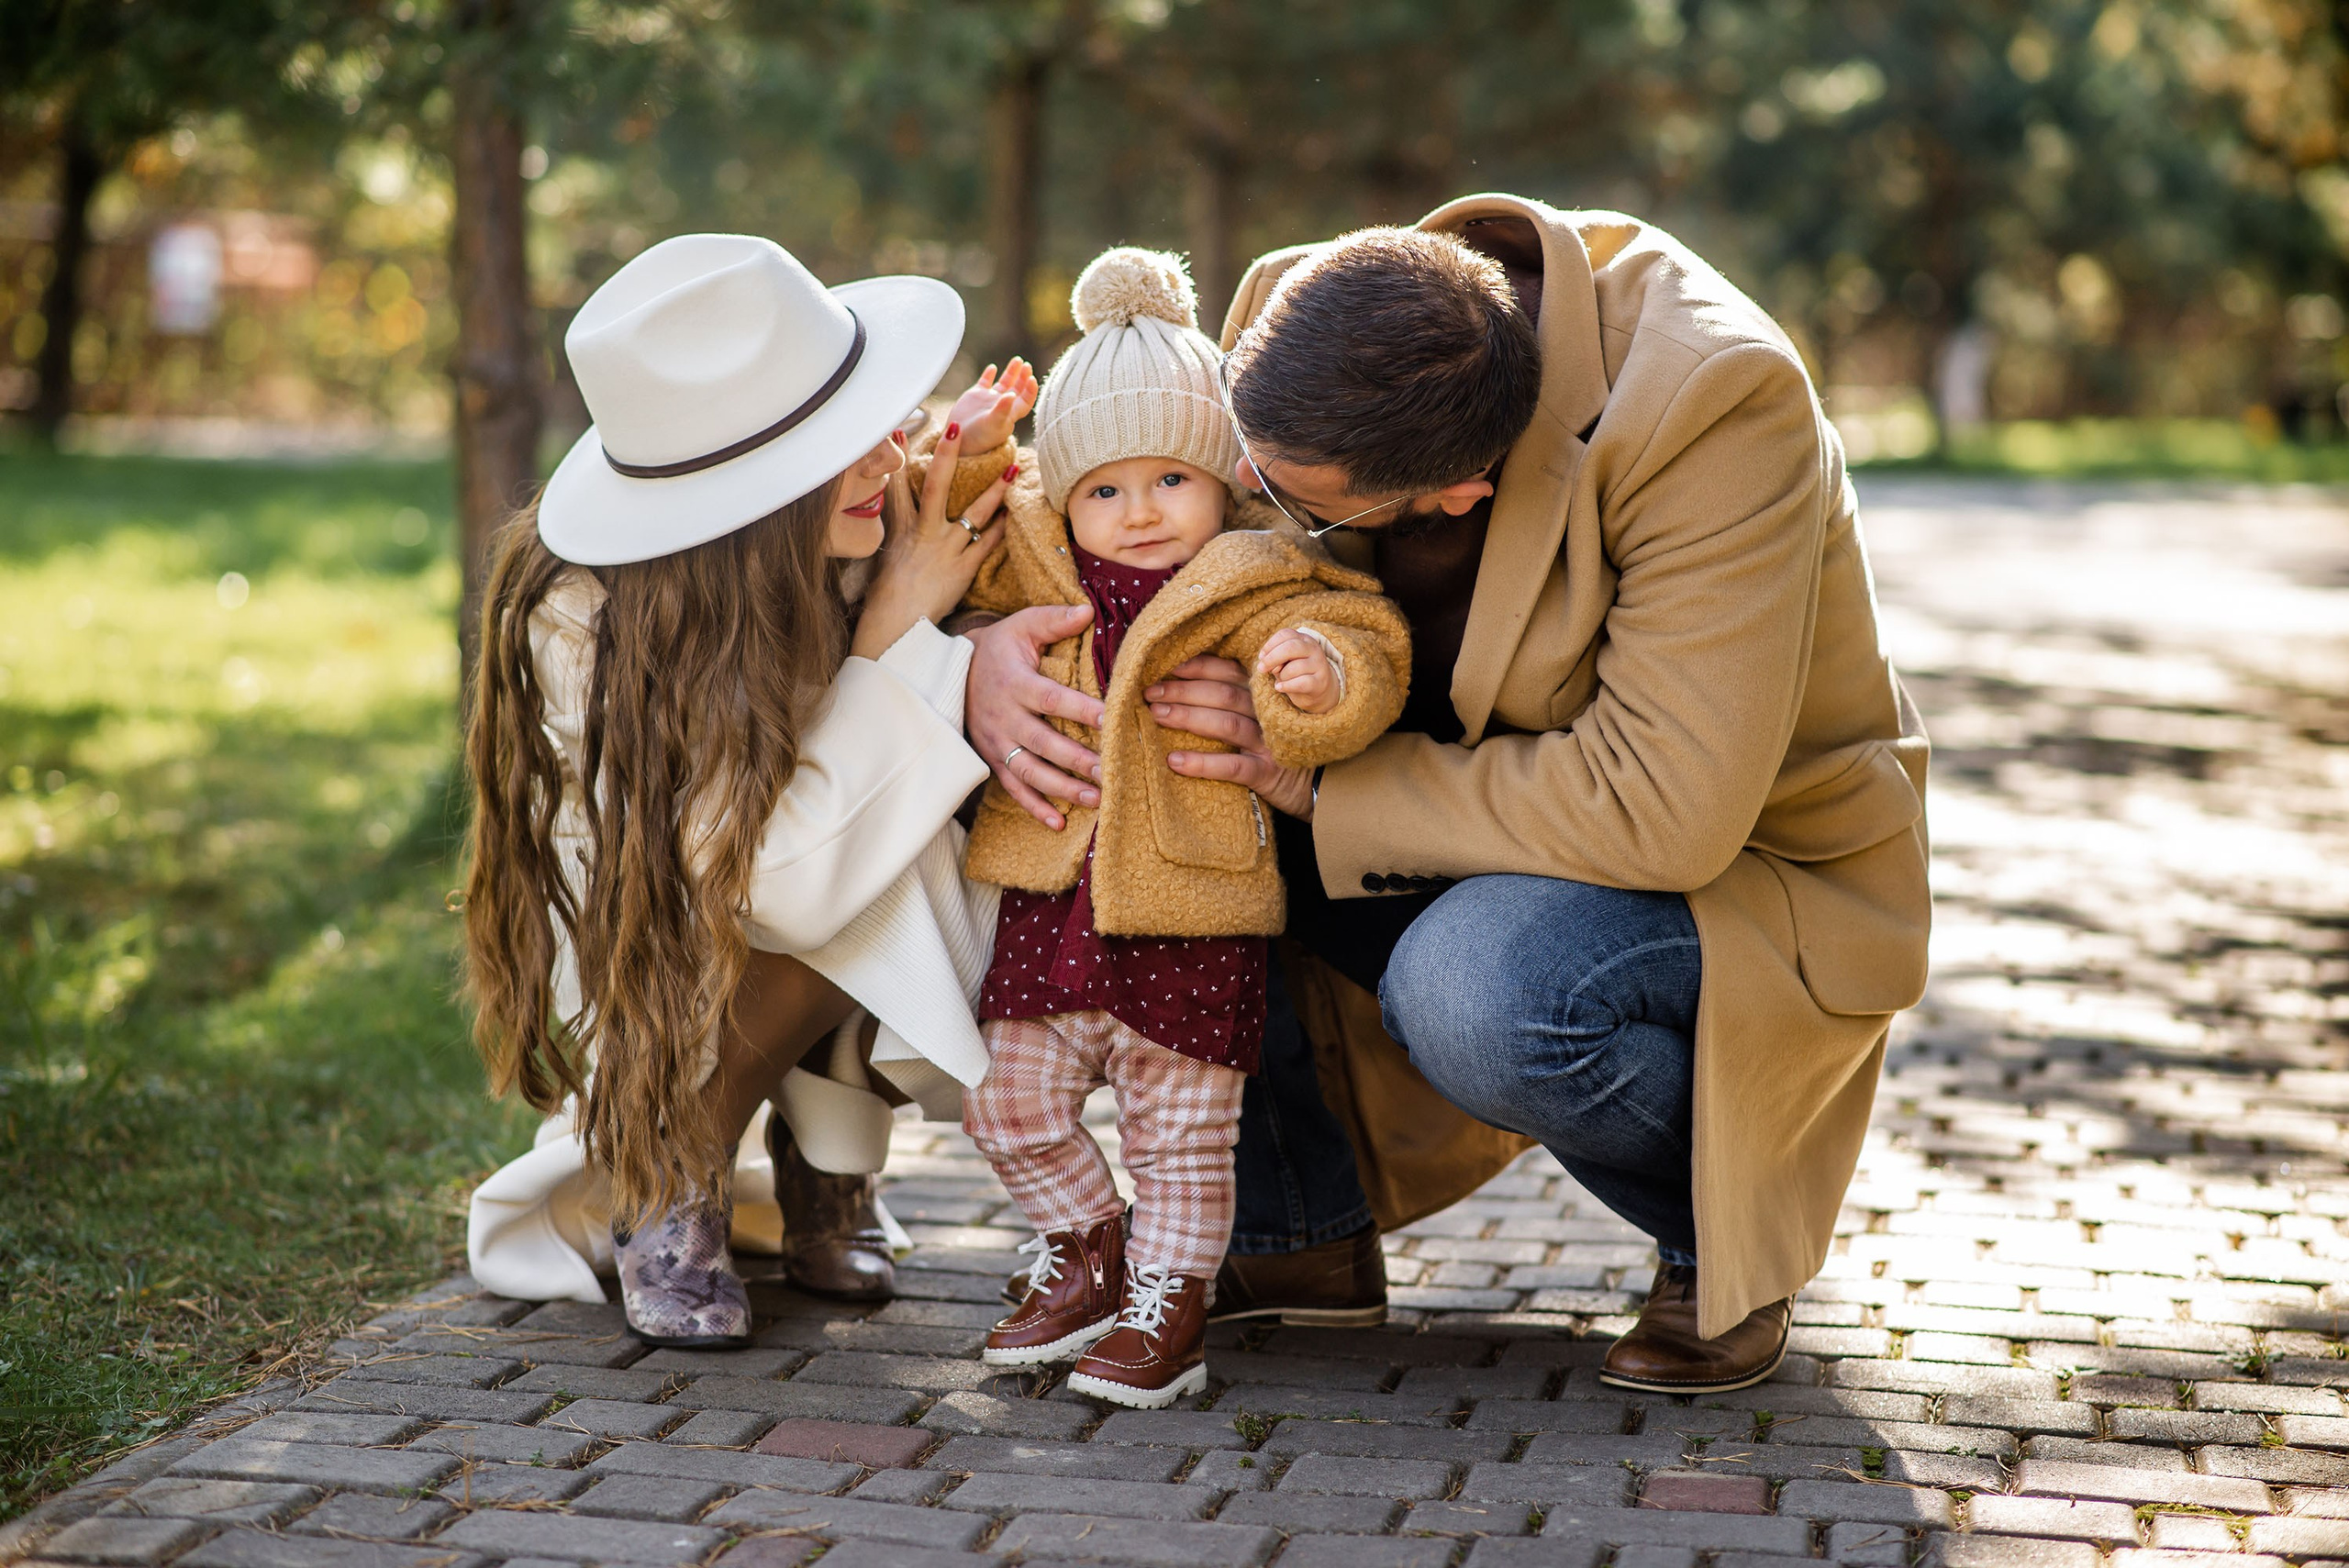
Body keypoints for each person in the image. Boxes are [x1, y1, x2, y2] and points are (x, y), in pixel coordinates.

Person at [963, 195, 1931, 1396]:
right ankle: (1289, 1232)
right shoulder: (1290, 307)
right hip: (1415, 773)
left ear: (1460, 492)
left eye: (1295, 501)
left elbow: (1667, 805)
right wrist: (992, 652)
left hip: (1728, 862)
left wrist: (1316, 782)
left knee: (1480, 992)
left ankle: (1722, 1232)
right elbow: (1107, 486)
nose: (1250, 500)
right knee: (1172, 775)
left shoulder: (1716, 398)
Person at [460, 232, 1029, 1344]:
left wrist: (986, 618)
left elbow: (1055, 551)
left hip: (798, 890)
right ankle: (664, 1158)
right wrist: (900, 634)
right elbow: (771, 880)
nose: (885, 453)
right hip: (666, 942)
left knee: (912, 798)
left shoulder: (867, 520)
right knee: (870, 805)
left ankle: (830, 1153)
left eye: (870, 417)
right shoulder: (583, 620)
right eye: (837, 443)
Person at [940, 249, 1409, 1408]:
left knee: (1181, 1141)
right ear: (1064, 490)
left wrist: (1319, 674)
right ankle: (1089, 1245)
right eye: (1104, 487)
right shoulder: (1034, 558)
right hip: (1052, 908)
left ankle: (1167, 1307)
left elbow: (1369, 641)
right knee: (1002, 1103)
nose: (1139, 512)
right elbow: (945, 546)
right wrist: (972, 451)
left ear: (1222, 478)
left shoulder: (1257, 573)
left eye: (1169, 480)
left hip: (1192, 915)